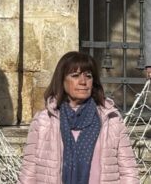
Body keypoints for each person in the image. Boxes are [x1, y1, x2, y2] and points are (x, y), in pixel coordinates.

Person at [19, 51, 138, 183]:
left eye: (88, 76)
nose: (83, 82)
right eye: (75, 76)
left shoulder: (111, 119)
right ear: (62, 80)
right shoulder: (44, 121)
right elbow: (28, 173)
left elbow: (129, 171)